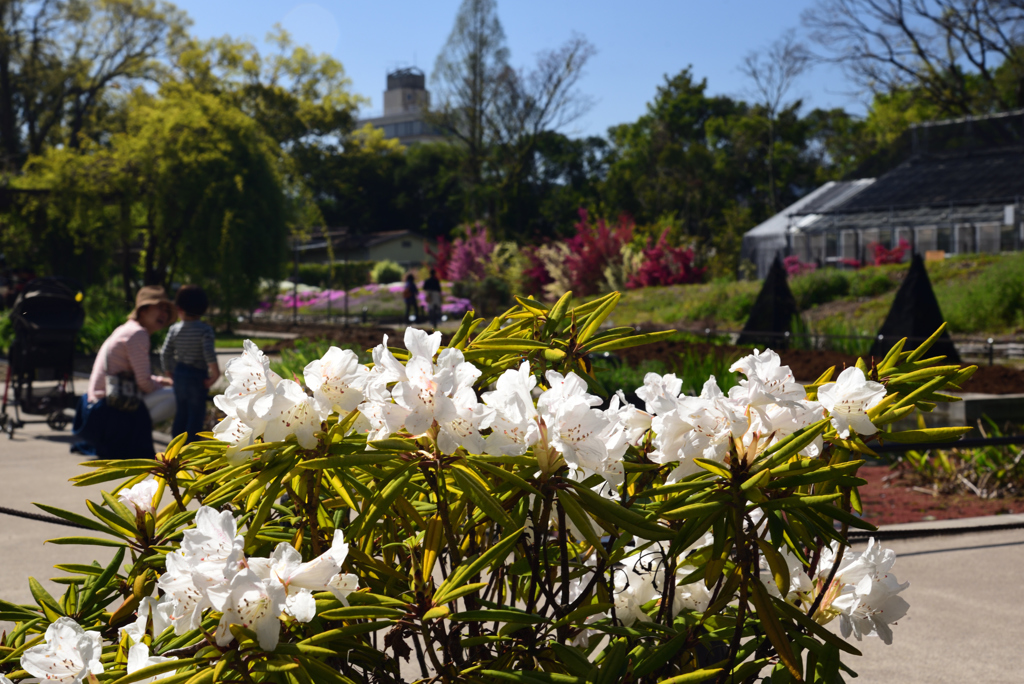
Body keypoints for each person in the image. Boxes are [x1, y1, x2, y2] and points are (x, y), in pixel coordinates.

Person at [75, 286, 176, 458]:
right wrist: (167, 384)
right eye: (159, 307)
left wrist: (160, 380)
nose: (164, 314)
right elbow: (144, 384)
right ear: (143, 309)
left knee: (168, 390)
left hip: (92, 409)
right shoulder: (138, 334)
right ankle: (132, 435)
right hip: (107, 411)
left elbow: (130, 374)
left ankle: (131, 434)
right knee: (176, 396)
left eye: (167, 310)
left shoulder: (127, 329)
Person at [161, 285, 220, 443]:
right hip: (196, 376)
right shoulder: (204, 330)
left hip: (179, 374)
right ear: (203, 308)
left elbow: (165, 353)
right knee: (196, 415)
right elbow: (208, 353)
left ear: (179, 308)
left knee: (181, 412)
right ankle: (191, 450)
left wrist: (169, 372)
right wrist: (215, 374)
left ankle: (175, 447)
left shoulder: (174, 329)